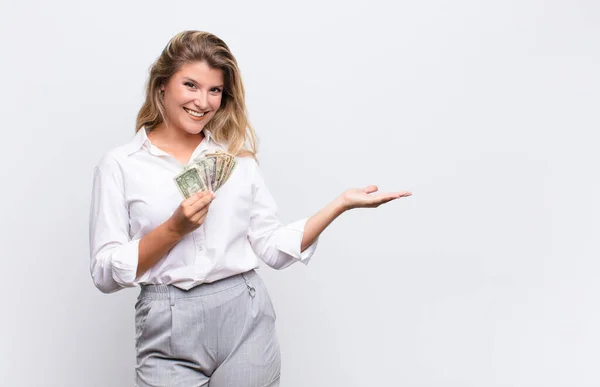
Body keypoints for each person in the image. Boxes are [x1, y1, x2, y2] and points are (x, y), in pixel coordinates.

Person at [89, 30, 412, 387]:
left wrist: (339, 205)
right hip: (167, 323)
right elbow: (104, 273)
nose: (203, 101)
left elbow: (272, 248)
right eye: (191, 85)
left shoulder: (236, 162)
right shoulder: (119, 165)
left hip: (243, 317)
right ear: (162, 85)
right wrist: (173, 230)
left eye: (215, 90)